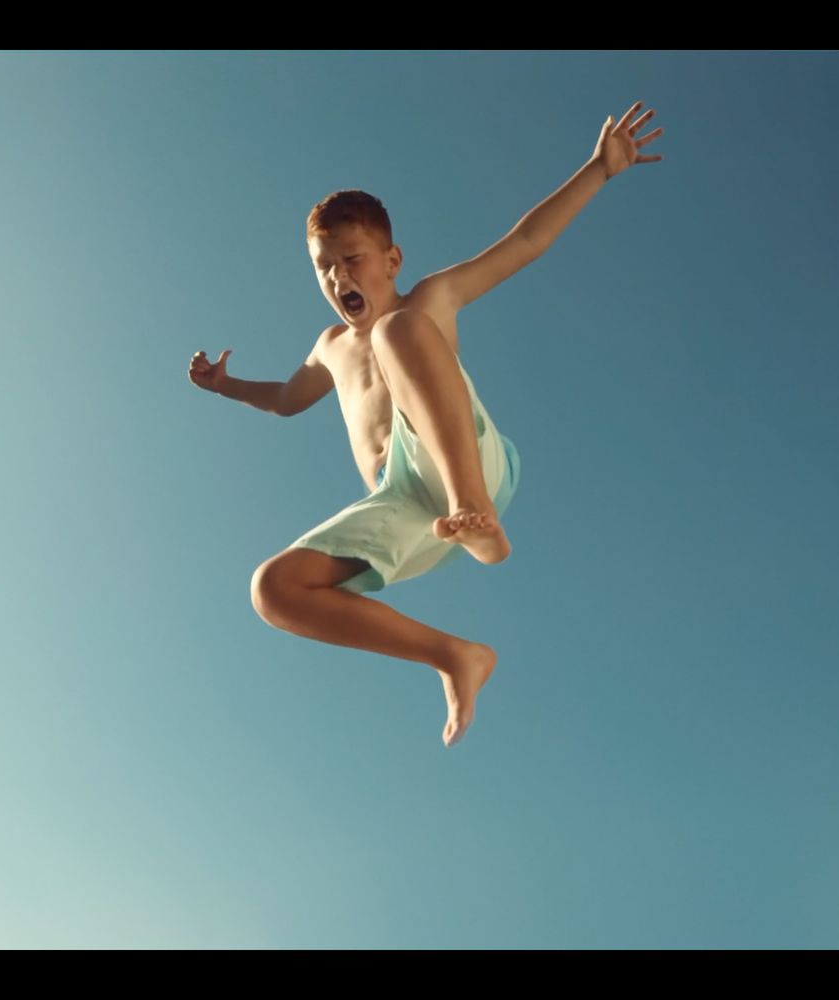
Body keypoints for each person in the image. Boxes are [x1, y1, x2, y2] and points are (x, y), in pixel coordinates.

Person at [189, 101, 662, 747]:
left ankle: (477, 513)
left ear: (392, 259)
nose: (339, 276)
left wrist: (599, 170)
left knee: (401, 329)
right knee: (273, 589)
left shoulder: (424, 302)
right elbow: (286, 399)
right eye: (325, 267)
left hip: (467, 465)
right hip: (406, 502)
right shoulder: (329, 345)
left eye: (353, 258)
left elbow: (525, 243)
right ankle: (455, 655)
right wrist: (225, 387)